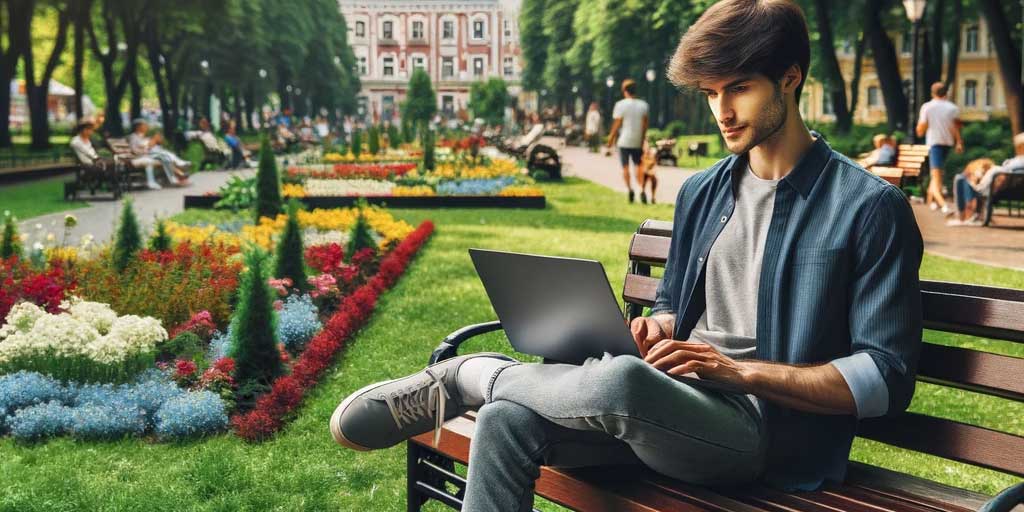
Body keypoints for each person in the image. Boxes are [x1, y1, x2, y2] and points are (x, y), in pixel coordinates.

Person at [329, 1, 922, 509]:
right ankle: (490, 388)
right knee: (507, 420)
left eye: (739, 87)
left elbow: (886, 380)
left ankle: (466, 376)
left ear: (790, 79)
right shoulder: (703, 190)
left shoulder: (868, 208)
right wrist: (654, 325)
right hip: (671, 405)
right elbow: (674, 303)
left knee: (618, 384)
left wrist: (738, 372)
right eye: (712, 92)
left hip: (764, 434)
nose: (722, 111)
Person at [948, 132, 1024, 226]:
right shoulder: (1017, 162)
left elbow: (1005, 170)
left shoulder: (1018, 161)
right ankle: (969, 215)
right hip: (1007, 188)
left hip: (993, 188)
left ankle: (964, 215)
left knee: (960, 179)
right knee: (963, 178)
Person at [916, 82, 964, 215]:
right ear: (946, 93)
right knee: (937, 176)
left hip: (934, 144)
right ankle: (932, 201)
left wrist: (920, 129)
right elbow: (956, 127)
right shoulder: (953, 108)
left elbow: (920, 129)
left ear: (932, 93)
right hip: (947, 144)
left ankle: (944, 206)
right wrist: (959, 142)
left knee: (936, 177)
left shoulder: (927, 107)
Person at [607, 79, 651, 203]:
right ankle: (641, 189)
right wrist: (643, 141)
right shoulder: (643, 105)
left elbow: (617, 124)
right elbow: (645, 126)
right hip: (637, 141)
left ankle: (630, 189)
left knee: (625, 167)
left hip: (624, 141)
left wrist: (610, 139)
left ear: (624, 91)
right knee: (639, 166)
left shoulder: (620, 105)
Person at [128, 119, 185, 189]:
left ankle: (176, 178)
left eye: (146, 125)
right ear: (138, 127)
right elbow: (134, 150)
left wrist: (154, 143)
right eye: (144, 125)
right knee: (163, 159)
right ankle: (178, 176)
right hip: (140, 157)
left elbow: (151, 147)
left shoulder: (144, 137)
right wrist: (146, 150)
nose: (147, 127)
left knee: (165, 159)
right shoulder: (133, 137)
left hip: (149, 156)